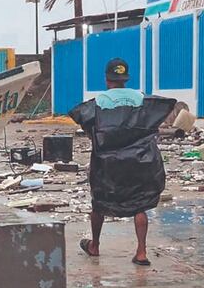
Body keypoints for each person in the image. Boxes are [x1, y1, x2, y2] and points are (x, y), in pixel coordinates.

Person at [71, 58, 176, 266]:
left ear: (106, 79)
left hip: (108, 164)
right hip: (141, 161)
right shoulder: (142, 99)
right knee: (140, 205)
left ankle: (95, 245)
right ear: (125, 78)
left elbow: (87, 126)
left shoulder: (97, 103)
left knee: (99, 203)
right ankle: (141, 251)